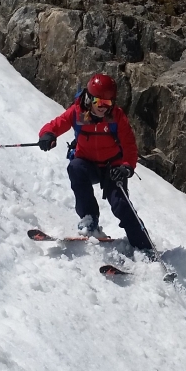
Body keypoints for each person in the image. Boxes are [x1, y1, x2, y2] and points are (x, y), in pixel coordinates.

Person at [37, 73, 152, 250]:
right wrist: (47, 134)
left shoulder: (116, 117)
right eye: (98, 102)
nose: (102, 107)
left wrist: (126, 167)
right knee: (74, 167)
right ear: (89, 98)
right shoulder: (79, 113)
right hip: (87, 164)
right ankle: (89, 219)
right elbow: (57, 123)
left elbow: (129, 145)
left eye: (107, 103)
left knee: (121, 205)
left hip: (113, 167)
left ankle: (144, 246)